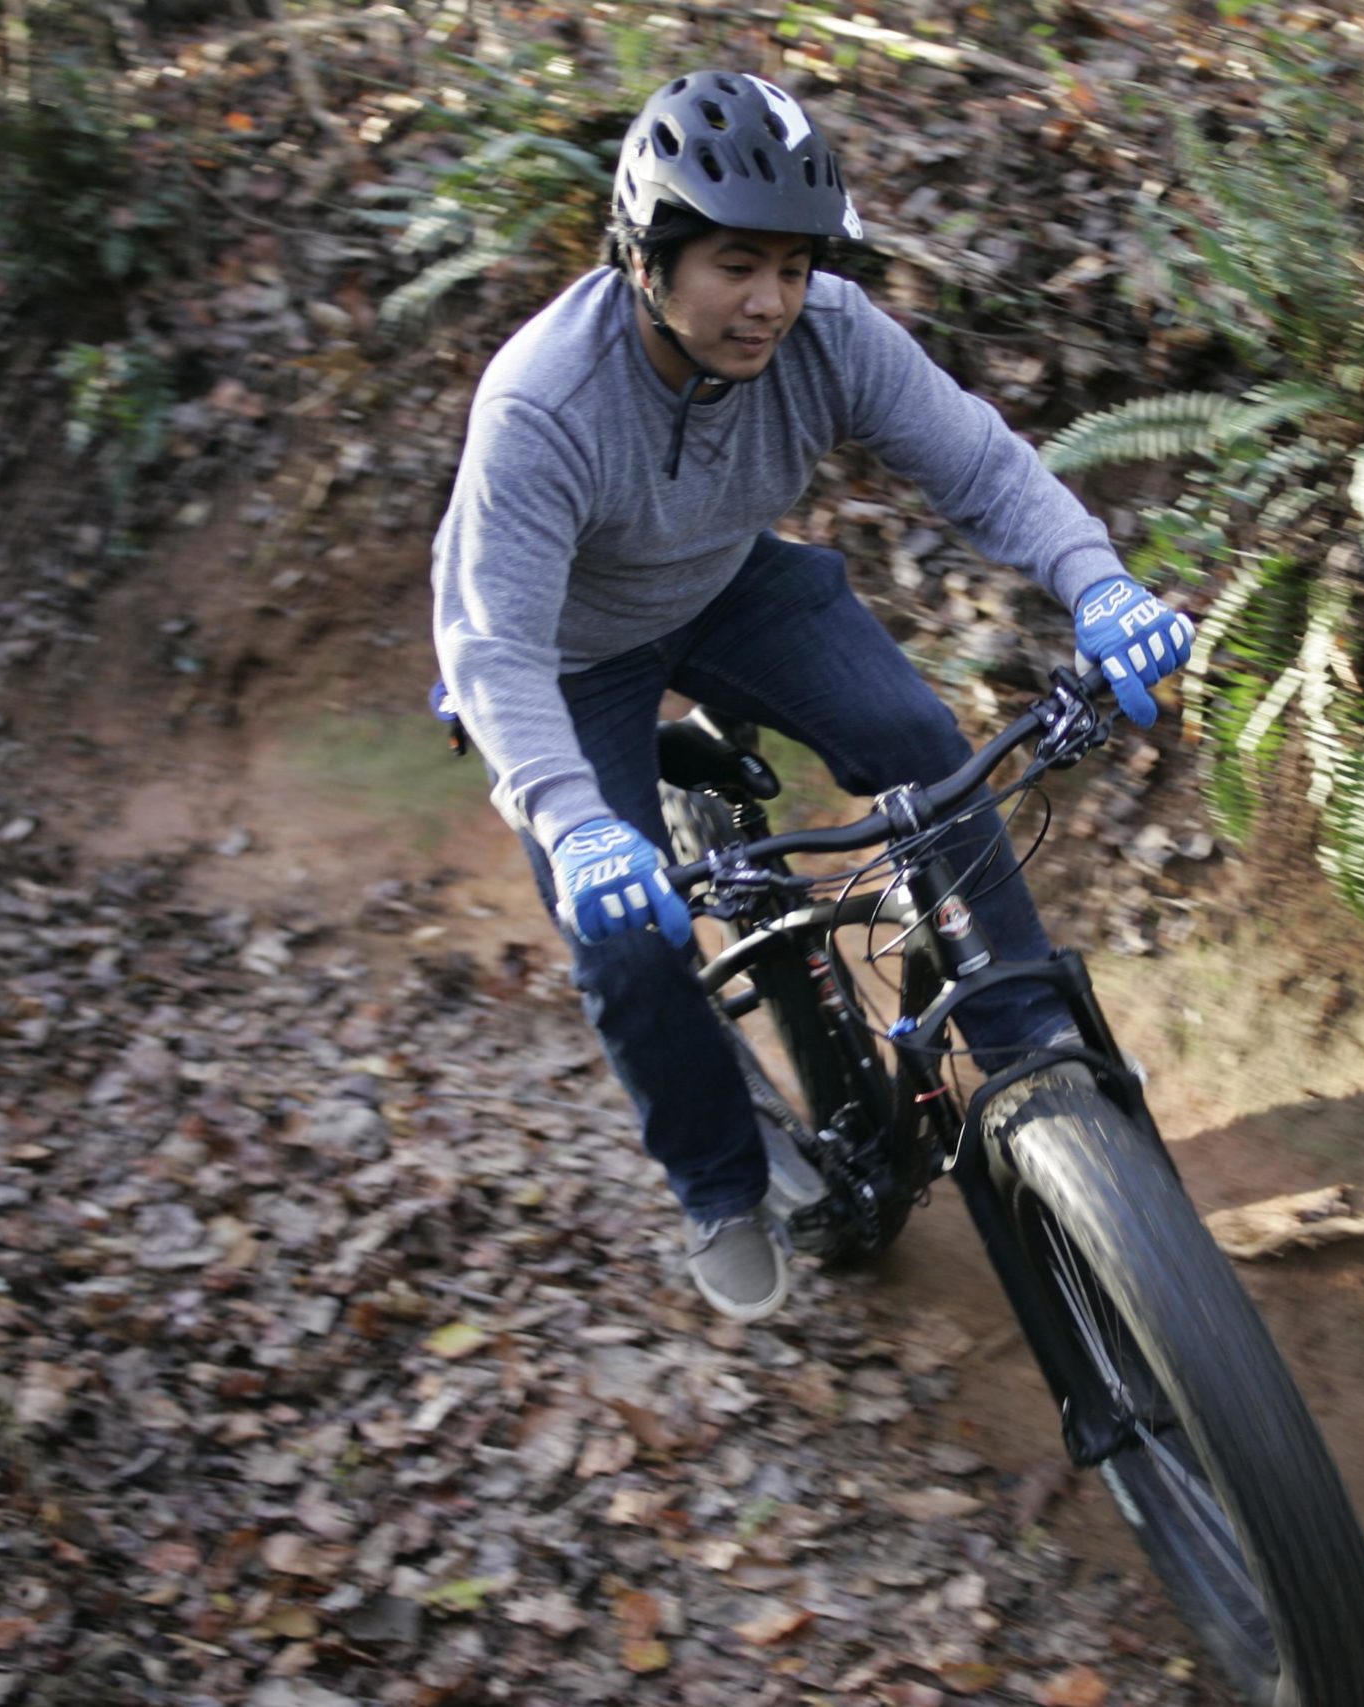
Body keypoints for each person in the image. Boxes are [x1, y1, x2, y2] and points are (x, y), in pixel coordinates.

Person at [429, 69, 1193, 1322]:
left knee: (911, 741)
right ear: (645, 254)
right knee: (625, 936)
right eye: (736, 263)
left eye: (792, 264)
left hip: (727, 580)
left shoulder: (829, 333)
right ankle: (719, 1186)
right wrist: (572, 822)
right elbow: (494, 647)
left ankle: (1023, 1046)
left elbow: (984, 467)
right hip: (566, 652)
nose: (771, 302)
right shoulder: (543, 405)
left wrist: (1097, 585)